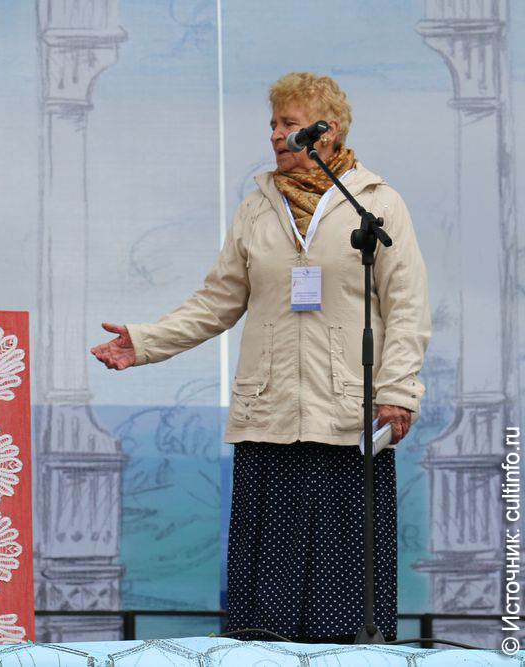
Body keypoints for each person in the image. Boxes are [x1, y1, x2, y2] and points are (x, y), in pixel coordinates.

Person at [91, 72, 430, 643]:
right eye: (272, 124)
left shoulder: (376, 204)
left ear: (326, 132)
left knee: (344, 595)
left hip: (347, 419)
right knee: (266, 605)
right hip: (267, 417)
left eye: (288, 124)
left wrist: (398, 389)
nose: (275, 134)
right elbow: (218, 301)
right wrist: (145, 341)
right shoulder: (256, 208)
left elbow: (408, 305)